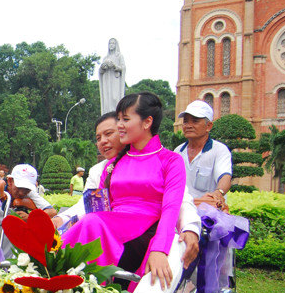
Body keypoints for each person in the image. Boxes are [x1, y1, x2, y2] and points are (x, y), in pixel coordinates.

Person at [61, 92, 187, 291]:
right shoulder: (112, 165)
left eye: (125, 119)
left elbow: (171, 208)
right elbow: (99, 207)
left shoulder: (171, 161)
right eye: (119, 119)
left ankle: (80, 285)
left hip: (145, 233)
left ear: (147, 122)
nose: (119, 124)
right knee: (89, 223)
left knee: (93, 222)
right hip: (109, 228)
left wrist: (160, 249)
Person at [53, 113, 200, 267]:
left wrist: (190, 228)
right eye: (98, 138)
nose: (103, 141)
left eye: (109, 134)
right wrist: (61, 219)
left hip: (143, 239)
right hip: (107, 238)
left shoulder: (156, 162)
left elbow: (180, 200)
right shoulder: (99, 170)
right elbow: (89, 206)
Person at [175, 100, 232, 203]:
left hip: (208, 212)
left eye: (195, 121)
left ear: (208, 126)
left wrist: (219, 192)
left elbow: (225, 176)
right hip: (182, 211)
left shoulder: (219, 150)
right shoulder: (178, 152)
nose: (188, 125)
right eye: (186, 121)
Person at [99, 37, 126, 115]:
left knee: (115, 98)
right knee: (107, 99)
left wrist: (114, 66)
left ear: (116, 45)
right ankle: (107, 113)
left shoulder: (119, 56)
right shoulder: (105, 58)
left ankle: (115, 113)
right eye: (110, 43)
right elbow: (100, 72)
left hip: (115, 80)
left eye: (113, 43)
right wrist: (103, 68)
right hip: (106, 81)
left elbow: (123, 68)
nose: (111, 45)